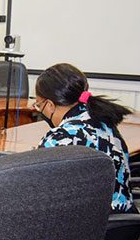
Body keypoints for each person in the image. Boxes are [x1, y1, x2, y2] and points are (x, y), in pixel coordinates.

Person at [34, 63, 134, 214]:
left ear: (49, 105)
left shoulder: (60, 137)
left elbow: (35, 189)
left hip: (96, 227)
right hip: (123, 217)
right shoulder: (102, 119)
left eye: (38, 105)